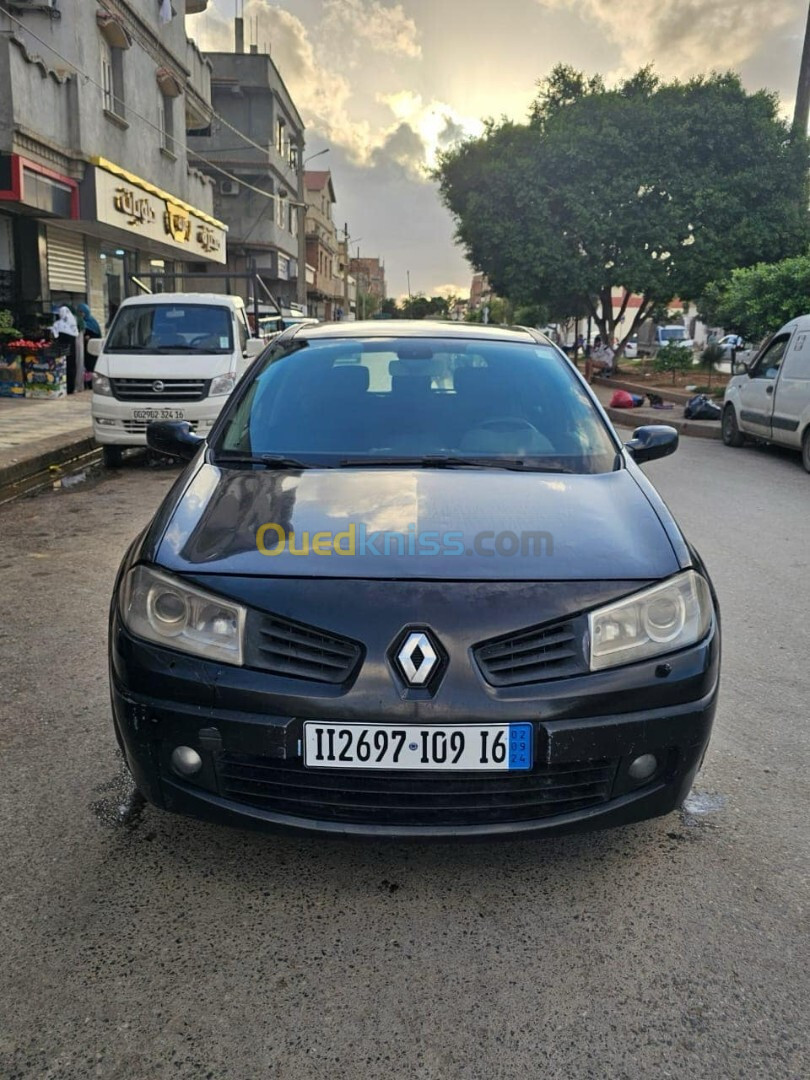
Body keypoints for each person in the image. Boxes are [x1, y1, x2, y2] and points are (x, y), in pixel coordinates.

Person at [51, 306, 79, 394]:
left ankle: (65, 388)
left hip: (63, 351)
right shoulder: (73, 322)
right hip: (72, 350)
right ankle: (71, 388)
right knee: (71, 367)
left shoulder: (58, 324)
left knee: (64, 368)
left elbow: (55, 336)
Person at [77, 302, 102, 382]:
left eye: (82, 312)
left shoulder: (92, 322)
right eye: (79, 312)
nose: (81, 314)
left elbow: (97, 335)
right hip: (84, 348)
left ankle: (92, 382)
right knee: (86, 365)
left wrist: (90, 337)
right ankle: (88, 381)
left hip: (93, 349)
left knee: (92, 365)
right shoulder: (81, 322)